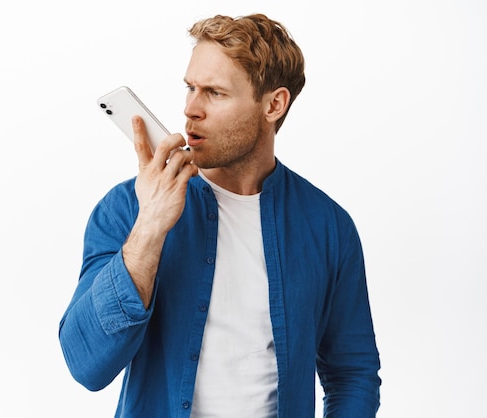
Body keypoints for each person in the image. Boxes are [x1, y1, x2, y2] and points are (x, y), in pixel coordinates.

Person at [59, 13, 381, 418]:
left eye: (215, 93)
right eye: (191, 88)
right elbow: (85, 364)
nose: (190, 109)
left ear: (274, 104)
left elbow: (352, 372)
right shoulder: (127, 208)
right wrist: (150, 228)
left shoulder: (328, 226)